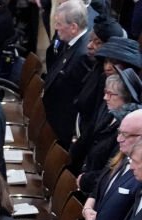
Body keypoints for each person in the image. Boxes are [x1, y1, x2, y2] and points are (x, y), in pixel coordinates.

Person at [43, 0, 92, 147]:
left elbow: (79, 97)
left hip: (65, 127)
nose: (56, 28)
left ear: (73, 27)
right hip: (56, 121)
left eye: (59, 24)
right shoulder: (70, 43)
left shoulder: (83, 55)